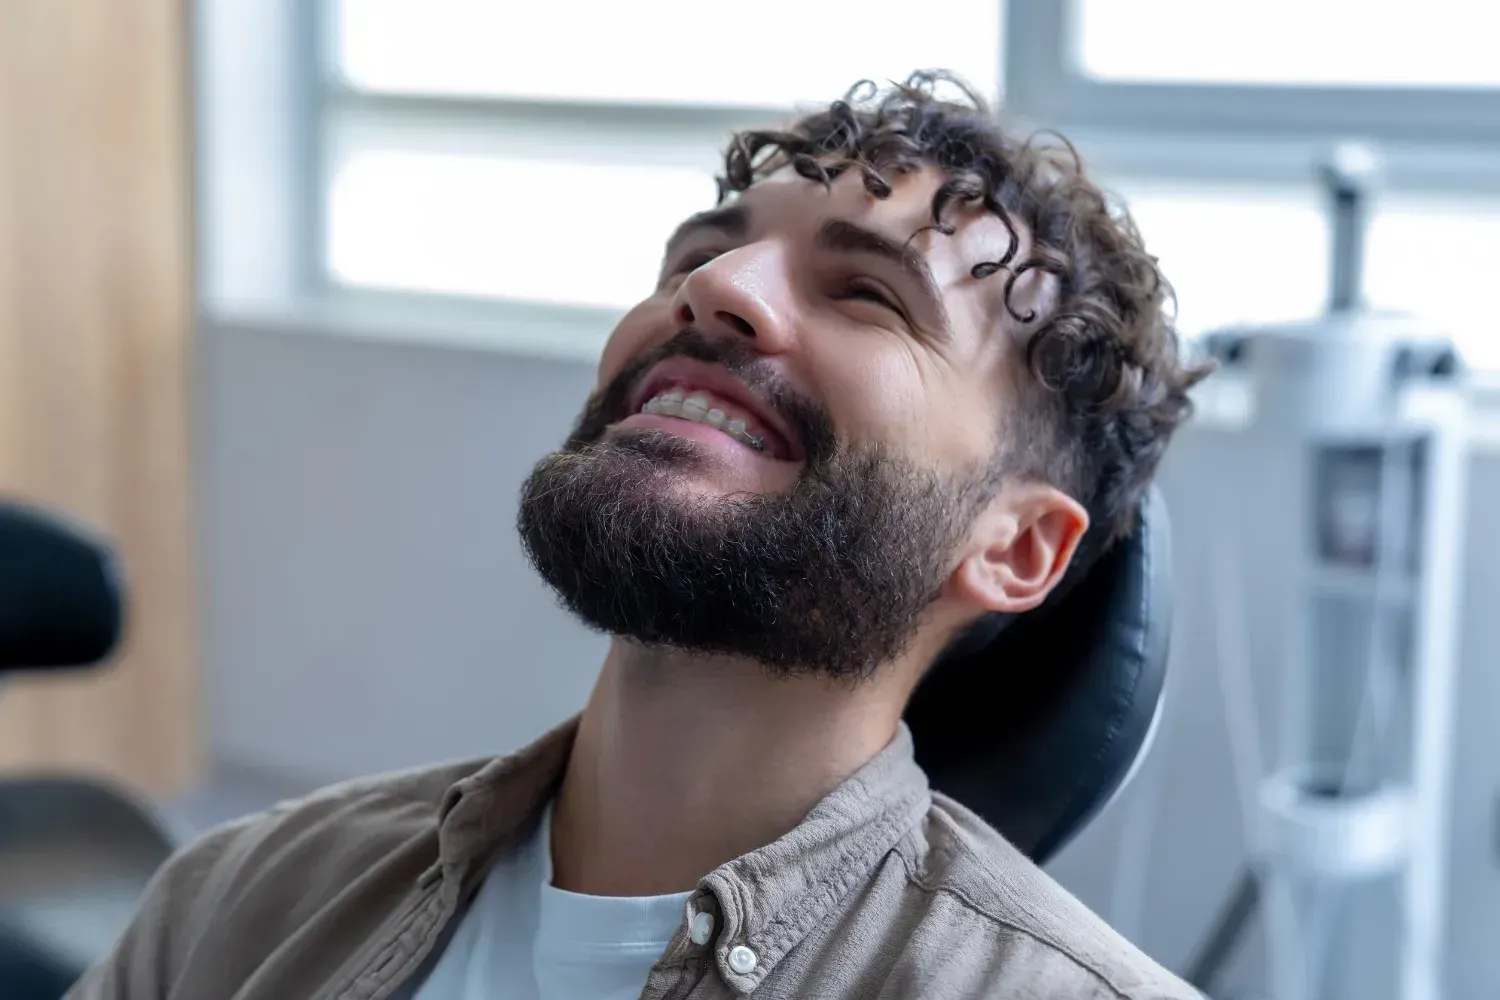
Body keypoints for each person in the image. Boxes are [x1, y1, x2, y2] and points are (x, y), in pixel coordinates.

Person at [72, 72, 1210, 999]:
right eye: (696, 256)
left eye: (868, 293)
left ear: (1014, 547)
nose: (716, 290)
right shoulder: (235, 905)